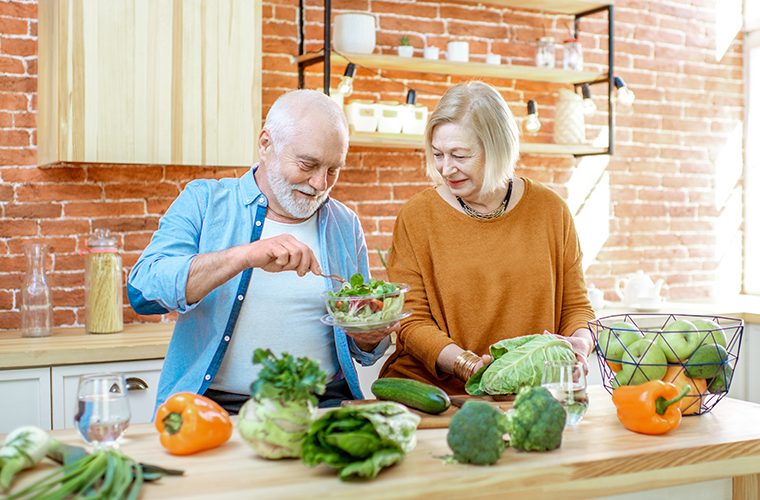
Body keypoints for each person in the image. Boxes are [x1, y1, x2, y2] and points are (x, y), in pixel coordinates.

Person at [128, 90, 392, 413]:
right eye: (308, 164)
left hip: (323, 405)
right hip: (217, 409)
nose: (320, 183)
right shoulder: (204, 201)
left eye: (333, 170)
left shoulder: (344, 224)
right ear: (266, 144)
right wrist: (245, 256)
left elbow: (363, 348)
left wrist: (370, 336)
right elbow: (143, 291)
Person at [378, 81, 595, 394]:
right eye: (438, 154)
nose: (446, 168)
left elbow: (576, 307)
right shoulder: (418, 216)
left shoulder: (551, 211)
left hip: (526, 392)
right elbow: (411, 323)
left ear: (497, 149)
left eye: (460, 156)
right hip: (436, 394)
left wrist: (580, 344)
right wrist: (469, 366)